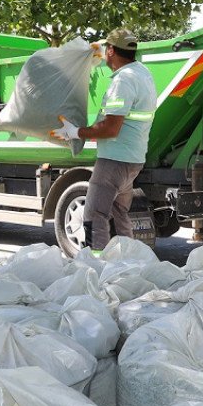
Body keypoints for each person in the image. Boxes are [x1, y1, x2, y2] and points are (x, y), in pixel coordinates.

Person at [52, 28, 156, 253]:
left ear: (111, 51)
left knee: (93, 213)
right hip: (133, 158)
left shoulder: (123, 81)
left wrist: (76, 132)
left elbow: (111, 128)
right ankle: (128, 263)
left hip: (114, 160)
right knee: (120, 213)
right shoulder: (142, 73)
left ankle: (95, 264)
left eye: (106, 49)